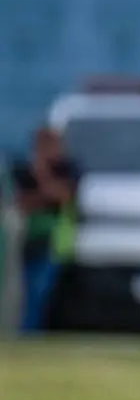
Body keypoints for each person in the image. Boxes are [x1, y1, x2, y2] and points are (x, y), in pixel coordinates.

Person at [12, 127, 80, 333]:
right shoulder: (23, 170)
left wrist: (42, 175)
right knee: (27, 292)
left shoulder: (67, 168)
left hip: (53, 240)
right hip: (26, 239)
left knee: (41, 290)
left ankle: (32, 332)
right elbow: (21, 203)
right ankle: (25, 333)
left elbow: (63, 196)